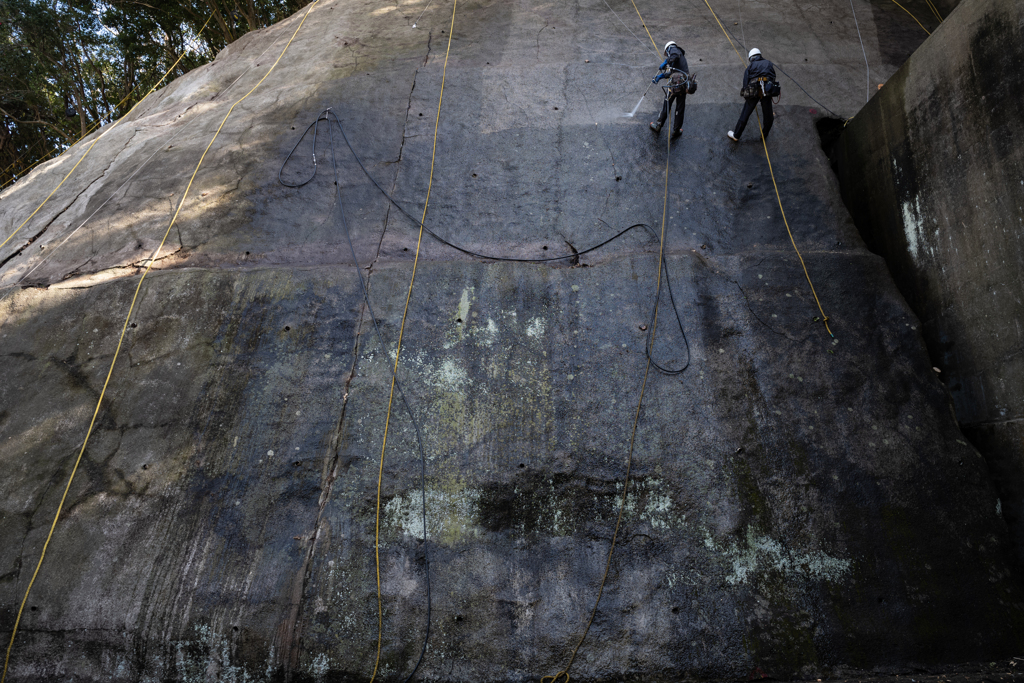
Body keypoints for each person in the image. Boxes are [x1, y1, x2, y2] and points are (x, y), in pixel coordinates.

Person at [728, 48, 776, 142]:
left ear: (751, 58)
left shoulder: (750, 67)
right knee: (768, 115)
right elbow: (773, 77)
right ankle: (764, 135)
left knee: (745, 115)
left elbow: (745, 84)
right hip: (766, 91)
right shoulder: (769, 63)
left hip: (753, 91)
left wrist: (748, 97)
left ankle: (736, 135)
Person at [649, 41, 688, 138]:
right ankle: (677, 130)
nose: (667, 55)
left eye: (667, 53)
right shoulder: (678, 60)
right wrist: (660, 76)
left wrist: (666, 62)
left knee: (667, 104)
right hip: (683, 84)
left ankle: (658, 125)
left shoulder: (674, 49)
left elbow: (675, 55)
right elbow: (671, 72)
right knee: (680, 107)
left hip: (674, 85)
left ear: (668, 48)